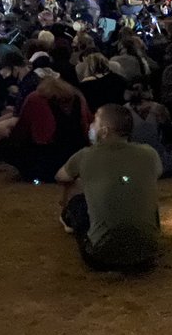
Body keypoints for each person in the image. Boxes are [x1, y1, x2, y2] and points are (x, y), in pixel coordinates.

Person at [56, 104, 162, 272]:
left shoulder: (85, 155)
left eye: (95, 122)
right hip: (147, 254)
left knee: (77, 203)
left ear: (104, 131)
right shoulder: (149, 153)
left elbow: (61, 176)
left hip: (100, 257)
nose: (91, 126)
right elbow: (155, 174)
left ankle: (71, 222)